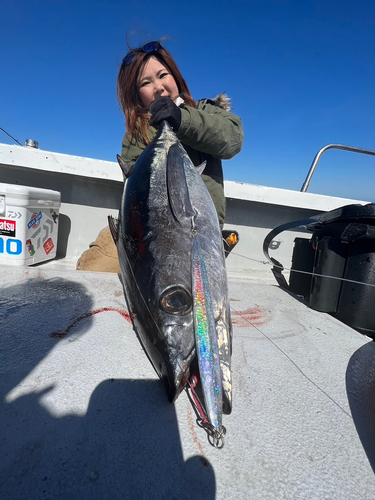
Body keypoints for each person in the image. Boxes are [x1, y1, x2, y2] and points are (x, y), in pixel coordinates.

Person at [77, 40, 244, 272]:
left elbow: (232, 140)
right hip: (144, 230)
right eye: (146, 83)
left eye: (163, 75)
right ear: (137, 95)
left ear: (175, 76)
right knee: (93, 270)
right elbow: (136, 191)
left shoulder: (205, 111)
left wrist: (181, 119)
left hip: (196, 230)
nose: (158, 87)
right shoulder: (136, 136)